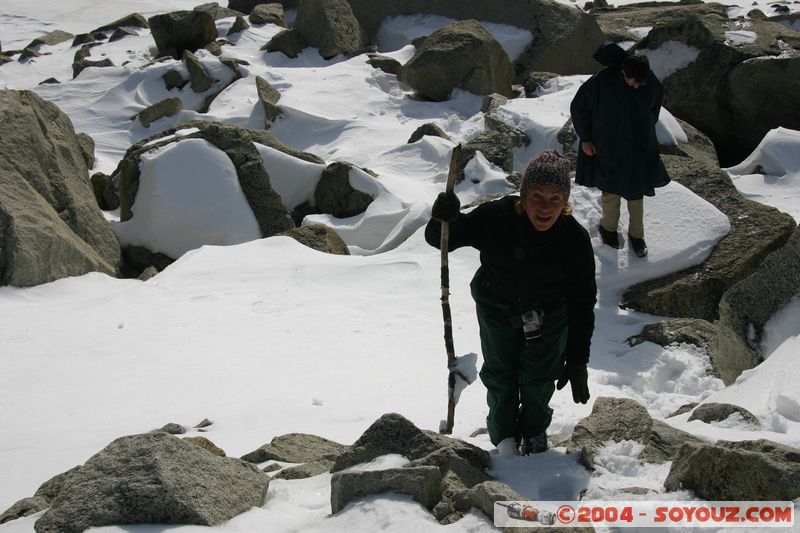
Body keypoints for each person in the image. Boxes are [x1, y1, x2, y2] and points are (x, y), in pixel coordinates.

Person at [425, 150, 597, 456]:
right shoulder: (498, 217)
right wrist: (442, 217)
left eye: (555, 198)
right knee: (501, 378)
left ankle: (534, 434)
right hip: (497, 311)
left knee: (539, 379)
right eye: (537, 196)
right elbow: (444, 239)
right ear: (524, 195)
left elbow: (583, 302)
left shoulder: (574, 239)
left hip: (549, 318)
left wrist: (578, 357)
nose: (545, 207)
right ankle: (504, 441)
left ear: (565, 202)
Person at [570, 43, 670, 258]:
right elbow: (579, 107)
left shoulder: (650, 83)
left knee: (636, 194)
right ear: (624, 72)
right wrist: (586, 139)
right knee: (611, 191)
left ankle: (637, 236)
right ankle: (608, 229)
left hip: (637, 149)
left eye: (640, 83)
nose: (636, 86)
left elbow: (653, 113)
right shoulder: (602, 81)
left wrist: (641, 129)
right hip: (607, 147)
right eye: (633, 81)